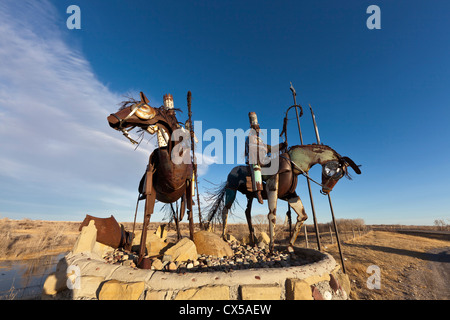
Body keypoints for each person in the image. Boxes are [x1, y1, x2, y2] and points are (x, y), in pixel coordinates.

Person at [245, 112, 286, 204]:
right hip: (254, 159)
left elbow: (270, 148)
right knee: (256, 168)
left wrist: (281, 145)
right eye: (256, 129)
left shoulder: (261, 141)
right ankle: (258, 191)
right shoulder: (249, 138)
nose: (258, 130)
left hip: (264, 158)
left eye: (258, 129)